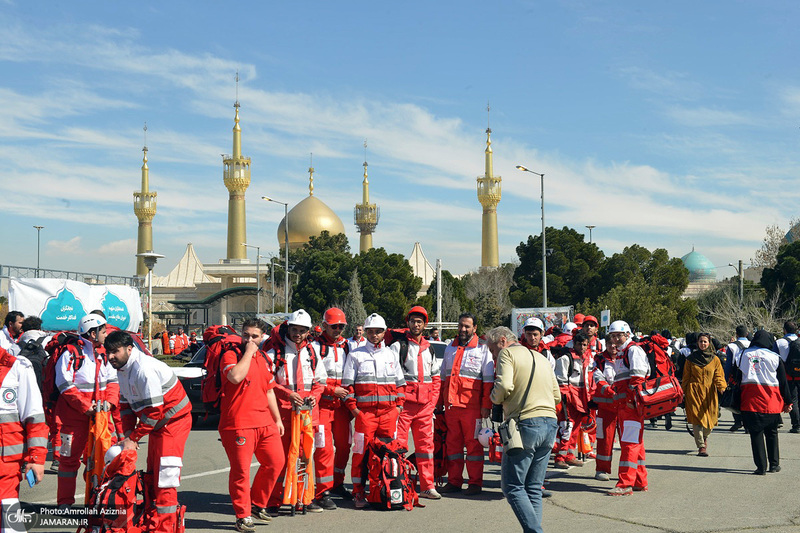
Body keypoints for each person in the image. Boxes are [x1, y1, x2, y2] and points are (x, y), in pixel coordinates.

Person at [104, 330, 191, 532]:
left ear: (129, 349)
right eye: (108, 352)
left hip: (173, 422)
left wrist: (133, 438)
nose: (110, 357)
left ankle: (166, 528)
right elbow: (125, 405)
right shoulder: (123, 367)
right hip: (159, 425)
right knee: (152, 475)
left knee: (165, 478)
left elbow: (153, 412)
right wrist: (127, 435)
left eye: (115, 352)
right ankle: (154, 521)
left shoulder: (144, 369)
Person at [487, 326, 559, 533]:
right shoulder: (542, 358)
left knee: (513, 486)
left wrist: (495, 398)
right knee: (533, 488)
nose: (493, 356)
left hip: (525, 423)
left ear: (502, 341)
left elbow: (504, 386)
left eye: (493, 350)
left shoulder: (507, 353)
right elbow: (557, 396)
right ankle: (534, 529)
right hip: (549, 422)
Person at [217, 319, 285, 532]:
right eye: (246, 335)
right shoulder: (231, 354)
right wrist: (248, 352)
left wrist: (277, 419)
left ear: (263, 336)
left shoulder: (265, 358)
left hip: (264, 422)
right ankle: (242, 515)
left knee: (275, 462)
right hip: (238, 423)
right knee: (241, 472)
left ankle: (257, 504)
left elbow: (269, 390)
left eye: (254, 336)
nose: (249, 340)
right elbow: (235, 377)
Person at [263, 310, 327, 514]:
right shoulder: (276, 353)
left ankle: (304, 498)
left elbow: (320, 382)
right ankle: (273, 500)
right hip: (282, 414)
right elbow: (267, 382)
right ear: (287, 329)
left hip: (307, 414)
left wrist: (314, 397)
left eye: (302, 330)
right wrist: (287, 394)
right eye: (294, 329)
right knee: (279, 458)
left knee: (305, 457)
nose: (297, 334)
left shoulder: (312, 352)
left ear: (308, 332)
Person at [341, 313, 406, 509]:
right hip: (365, 415)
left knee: (388, 454)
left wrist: (398, 408)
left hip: (388, 414)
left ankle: (383, 490)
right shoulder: (355, 355)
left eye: (378, 331)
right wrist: (355, 411)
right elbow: (347, 387)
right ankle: (359, 492)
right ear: (366, 332)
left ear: (384, 332)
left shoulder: (391, 355)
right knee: (360, 454)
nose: (374, 335)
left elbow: (401, 385)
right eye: (371, 331)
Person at [55, 314, 120, 507]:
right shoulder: (71, 353)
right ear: (92, 333)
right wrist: (85, 406)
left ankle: (96, 500)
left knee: (103, 458)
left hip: (100, 416)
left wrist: (110, 402)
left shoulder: (104, 353)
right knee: (68, 462)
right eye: (103, 331)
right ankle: (64, 504)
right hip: (74, 419)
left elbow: (113, 381)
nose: (106, 334)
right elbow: (64, 384)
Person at [439, 313, 494, 496]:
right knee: (453, 447)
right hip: (452, 407)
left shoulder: (482, 349)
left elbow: (488, 381)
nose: (463, 330)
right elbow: (442, 380)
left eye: (467, 327)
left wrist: (486, 405)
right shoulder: (450, 348)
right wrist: (439, 404)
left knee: (474, 447)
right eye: (461, 326)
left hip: (473, 408)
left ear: (475, 328)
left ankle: (475, 483)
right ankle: (454, 482)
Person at [390, 306, 442, 500]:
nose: (416, 324)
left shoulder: (430, 348)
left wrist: (433, 403)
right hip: (405, 407)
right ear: (408, 323)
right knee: (399, 445)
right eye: (413, 321)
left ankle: (427, 486)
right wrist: (398, 402)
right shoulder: (398, 346)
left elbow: (436, 379)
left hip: (425, 407)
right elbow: (392, 378)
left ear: (424, 324)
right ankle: (399, 483)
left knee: (426, 448)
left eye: (419, 321)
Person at [734, 329, 792, 474]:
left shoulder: (743, 354)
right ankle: (774, 464)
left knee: (755, 434)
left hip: (750, 401)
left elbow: (737, 377)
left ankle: (761, 467)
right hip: (771, 401)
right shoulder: (775, 357)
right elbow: (783, 382)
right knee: (772, 433)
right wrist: (788, 401)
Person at [311, 307, 353, 508]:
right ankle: (322, 491)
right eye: (334, 326)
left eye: (341, 326)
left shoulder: (347, 347)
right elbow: (311, 377)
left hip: (342, 407)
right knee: (324, 449)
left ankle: (337, 483)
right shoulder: (314, 347)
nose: (338, 329)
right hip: (322, 406)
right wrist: (330, 390)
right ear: (325, 325)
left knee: (345, 446)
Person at [0, 343, 47, 511]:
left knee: (9, 521)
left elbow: (35, 418)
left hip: (5, 467)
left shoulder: (18, 368)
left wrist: (36, 459)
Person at [604, 320, 649, 495]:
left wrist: (632, 400)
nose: (615, 338)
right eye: (613, 335)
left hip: (630, 406)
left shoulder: (632, 350)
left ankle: (625, 484)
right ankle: (639, 481)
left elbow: (638, 378)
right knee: (636, 443)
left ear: (627, 334)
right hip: (626, 406)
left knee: (629, 444)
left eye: (619, 335)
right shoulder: (625, 352)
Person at [681, 332, 727, 456]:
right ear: (697, 343)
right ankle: (701, 446)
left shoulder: (715, 359)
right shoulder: (690, 359)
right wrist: (683, 392)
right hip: (694, 391)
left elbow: (719, 376)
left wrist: (722, 388)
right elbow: (686, 377)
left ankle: (705, 436)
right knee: (696, 419)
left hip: (710, 392)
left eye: (705, 341)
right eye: (700, 341)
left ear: (709, 343)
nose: (702, 344)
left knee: (711, 418)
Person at [553, 330, 593, 468]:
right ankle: (559, 457)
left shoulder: (588, 358)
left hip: (582, 396)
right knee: (567, 427)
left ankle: (569, 455)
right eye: (579, 344)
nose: (582, 347)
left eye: (584, 344)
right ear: (574, 344)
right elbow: (560, 380)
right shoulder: (566, 358)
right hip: (569, 397)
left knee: (576, 427)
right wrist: (565, 398)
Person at [773, 321, 800, 433]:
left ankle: (796, 425)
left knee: (792, 400)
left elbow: (775, 359)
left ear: (784, 330)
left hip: (787, 375)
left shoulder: (779, 342)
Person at [725, 326, 750, 432]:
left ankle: (737, 421)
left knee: (735, 397)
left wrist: (725, 378)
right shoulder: (752, 344)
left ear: (736, 334)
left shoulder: (731, 346)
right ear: (747, 334)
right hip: (748, 375)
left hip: (735, 376)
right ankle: (747, 424)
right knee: (746, 399)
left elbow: (728, 364)